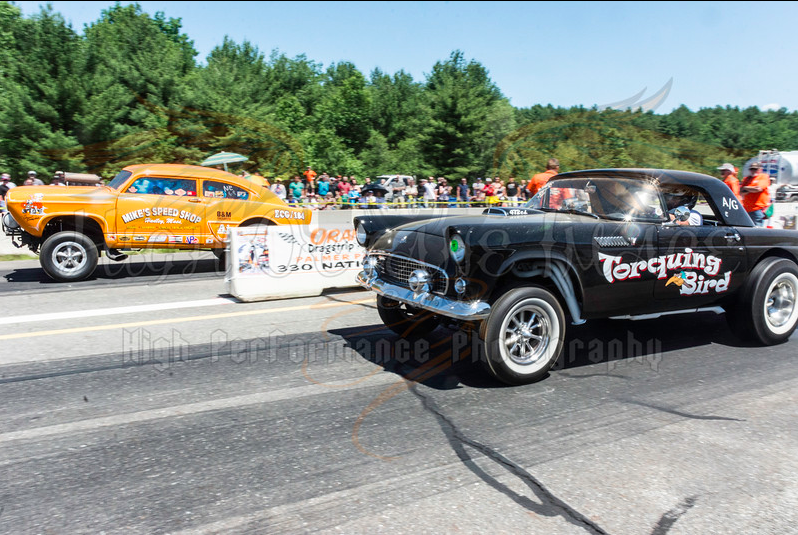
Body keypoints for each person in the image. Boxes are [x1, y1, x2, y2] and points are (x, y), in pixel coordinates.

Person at [741, 162, 771, 227]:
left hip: (758, 208)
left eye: (755, 169)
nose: (753, 171)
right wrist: (752, 189)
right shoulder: (747, 179)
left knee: (757, 229)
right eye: (751, 169)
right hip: (747, 209)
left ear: (760, 169)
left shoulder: (763, 177)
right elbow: (741, 191)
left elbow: (758, 189)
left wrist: (746, 188)